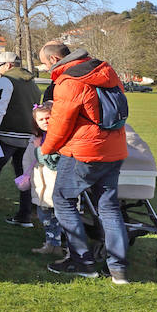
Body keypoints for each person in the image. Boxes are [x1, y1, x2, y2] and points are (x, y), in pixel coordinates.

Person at [37, 41, 130, 283]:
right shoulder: (105, 71)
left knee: (63, 200)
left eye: (46, 63)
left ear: (55, 59)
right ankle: (118, 269)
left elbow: (60, 124)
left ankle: (82, 261)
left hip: (84, 151)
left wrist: (46, 148)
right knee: (109, 207)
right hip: (114, 148)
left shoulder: (69, 82)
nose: (46, 69)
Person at [0, 51, 42, 227]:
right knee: (23, 176)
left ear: (8, 65)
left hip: (7, 135)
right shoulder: (31, 82)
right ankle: (25, 215)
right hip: (27, 135)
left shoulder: (6, 80)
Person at [19, 101, 66, 256]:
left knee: (60, 216)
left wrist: (40, 150)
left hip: (57, 184)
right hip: (42, 185)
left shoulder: (59, 137)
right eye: (41, 119)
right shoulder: (37, 137)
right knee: (44, 215)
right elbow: (28, 159)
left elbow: (54, 162)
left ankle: (59, 245)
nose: (45, 121)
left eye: (48, 118)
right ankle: (51, 243)